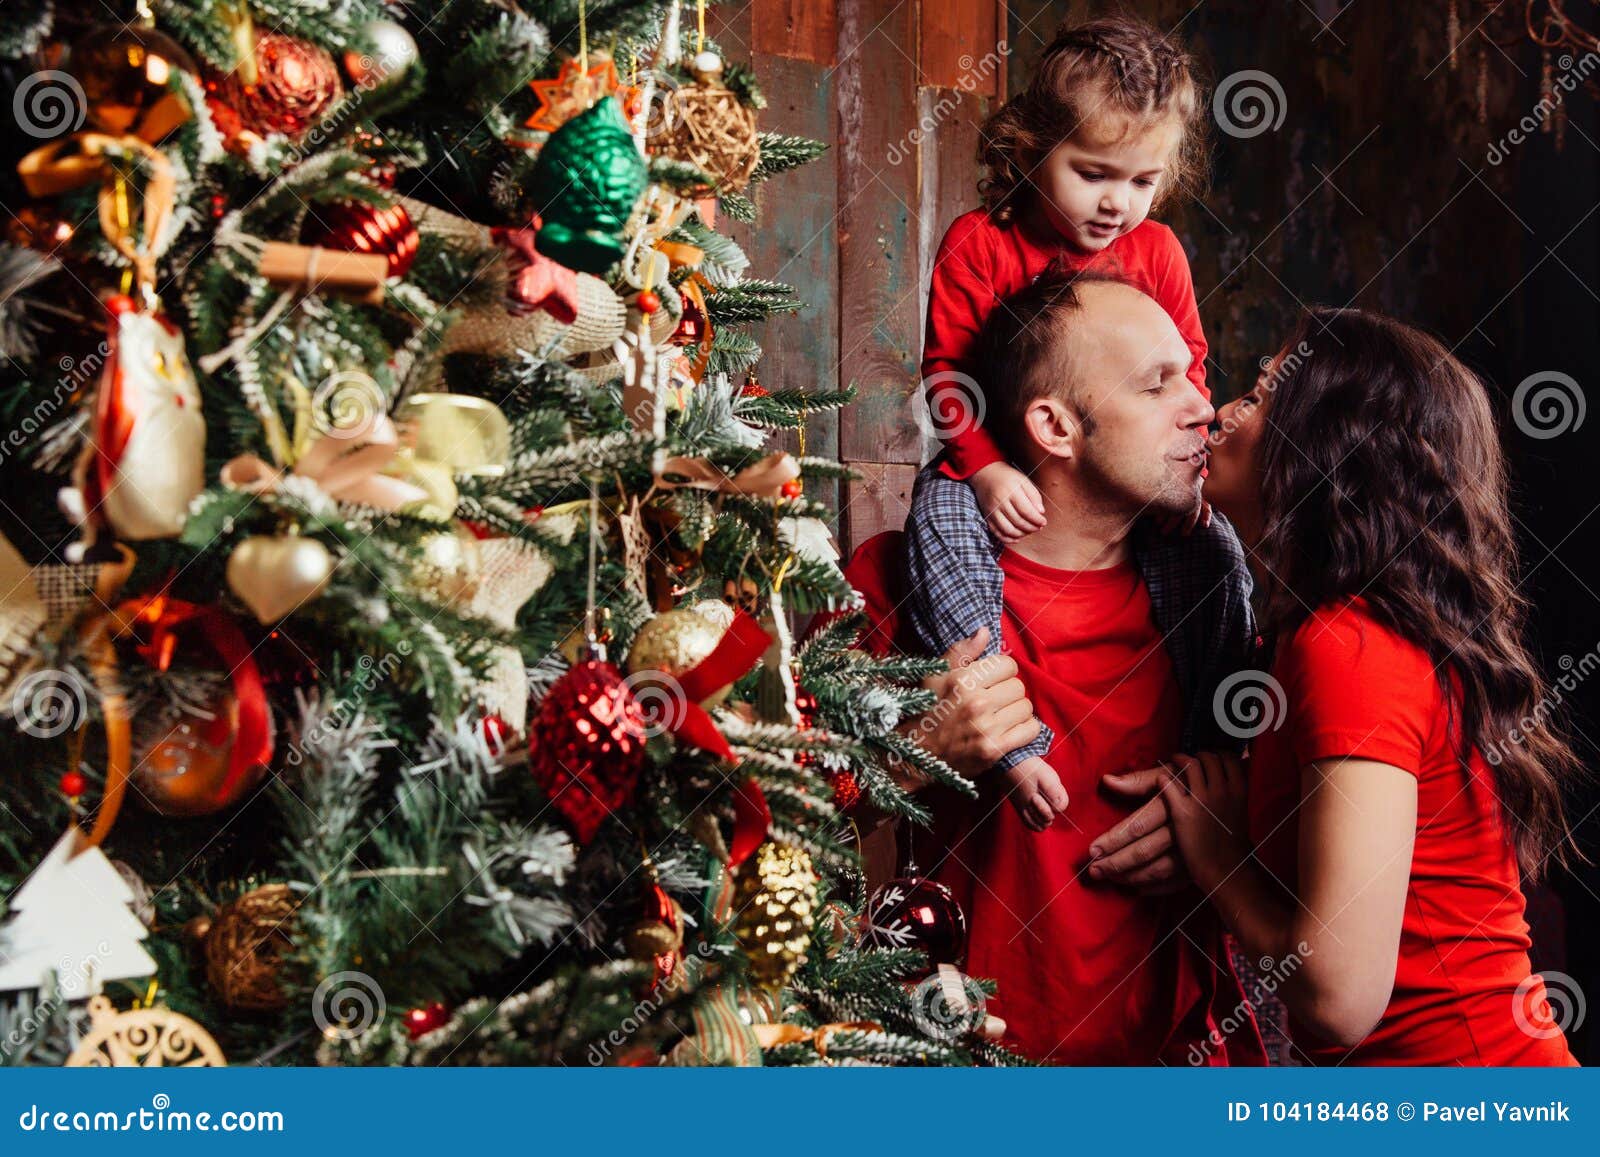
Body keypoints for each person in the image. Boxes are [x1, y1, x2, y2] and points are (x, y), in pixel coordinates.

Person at [1094, 309, 1583, 1065]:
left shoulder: (1349, 646)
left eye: (1259, 395)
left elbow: (1337, 998)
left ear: (1326, 447)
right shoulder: (1325, 633)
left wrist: (1219, 856)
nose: (1222, 409)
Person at [844, 268, 1261, 1064]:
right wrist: (915, 755)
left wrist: (1223, 839)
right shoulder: (896, 586)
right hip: (967, 1072)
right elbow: (780, 838)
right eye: (1157, 384)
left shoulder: (1215, 607)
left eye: (1191, 375)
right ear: (1056, 426)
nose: (1202, 407)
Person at [905, 15, 1225, 827]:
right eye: (1093, 173)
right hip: (995, 463)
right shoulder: (983, 245)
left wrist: (1191, 471)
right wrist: (983, 467)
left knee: (1216, 552)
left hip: (1112, 475)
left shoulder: (1157, 255)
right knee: (938, 518)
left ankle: (1215, 746)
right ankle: (1005, 730)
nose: (1118, 203)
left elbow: (1190, 365)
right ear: (1031, 148)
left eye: (1144, 182)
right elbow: (947, 373)